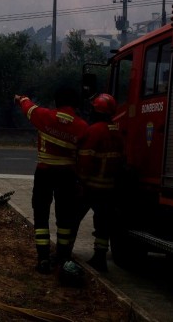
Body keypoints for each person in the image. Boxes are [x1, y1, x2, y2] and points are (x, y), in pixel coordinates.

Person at [14, 87, 88, 274]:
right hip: (68, 176)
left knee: (41, 216)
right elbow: (84, 157)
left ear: (57, 102)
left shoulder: (45, 116)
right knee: (64, 218)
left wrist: (21, 98)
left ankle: (43, 259)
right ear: (75, 104)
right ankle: (62, 258)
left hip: (44, 173)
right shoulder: (82, 127)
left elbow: (28, 107)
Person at [73, 93, 123, 272]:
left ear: (97, 111)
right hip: (108, 187)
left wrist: (80, 181)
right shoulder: (116, 130)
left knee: (73, 218)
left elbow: (85, 159)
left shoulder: (94, 130)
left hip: (90, 186)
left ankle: (64, 251)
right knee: (103, 225)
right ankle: (100, 258)